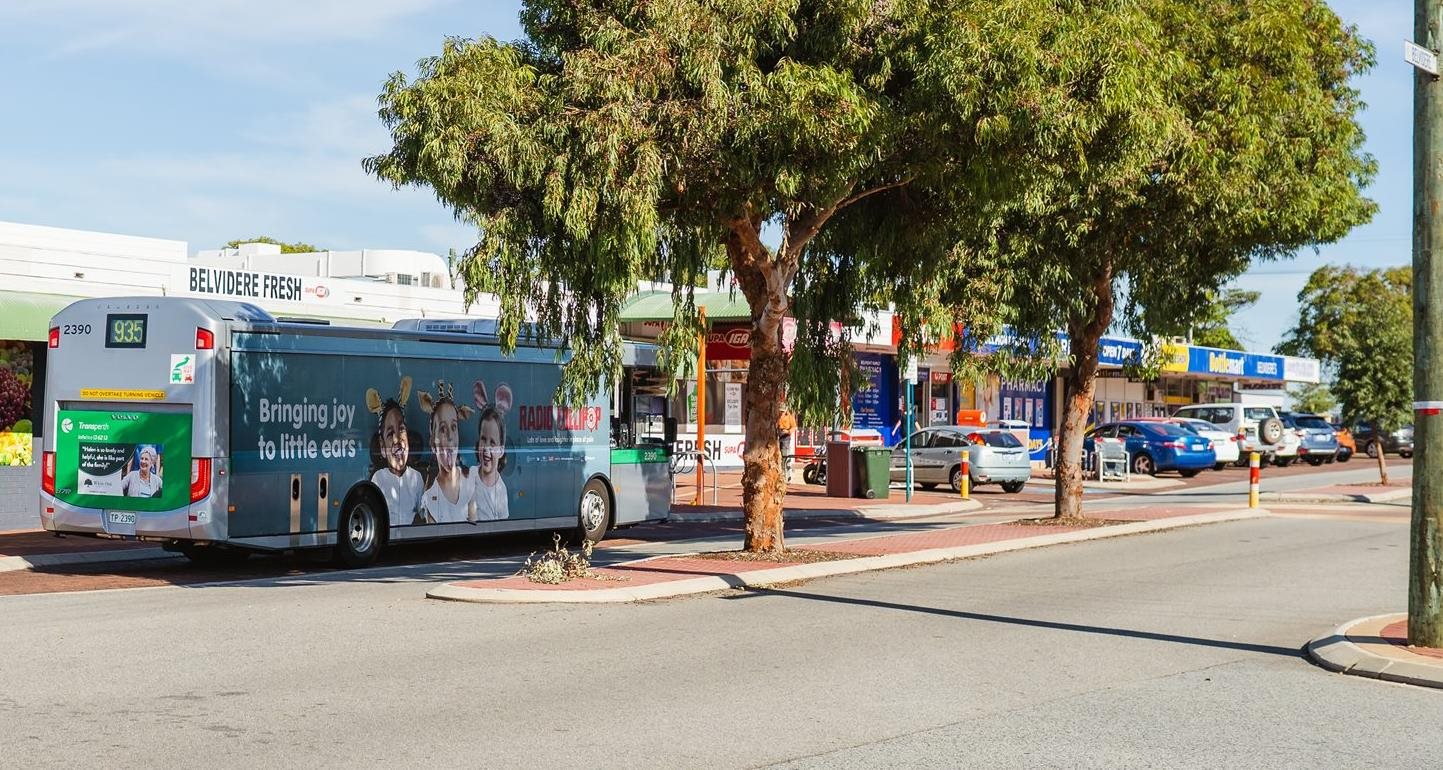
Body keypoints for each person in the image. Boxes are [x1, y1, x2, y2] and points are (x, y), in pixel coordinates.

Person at [366, 377, 424, 528]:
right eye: (390, 434)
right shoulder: (379, 479)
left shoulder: (416, 478)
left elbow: (423, 513)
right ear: (382, 448)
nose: (397, 439)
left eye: (401, 429)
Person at [418, 381, 474, 524]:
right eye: (443, 429)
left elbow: (476, 527)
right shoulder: (430, 498)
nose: (450, 436)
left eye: (454, 427)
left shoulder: (470, 484)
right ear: (432, 443)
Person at [468, 380, 512, 522]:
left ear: (501, 450)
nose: (486, 448)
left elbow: (502, 526)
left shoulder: (501, 490)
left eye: (492, 443)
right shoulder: (470, 476)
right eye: (483, 439)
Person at [778, 406, 797, 484]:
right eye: (780, 411)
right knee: (779, 458)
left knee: (785, 457)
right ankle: (780, 477)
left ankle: (787, 478)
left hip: (786, 437)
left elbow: (794, 427)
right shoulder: (777, 416)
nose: (781, 412)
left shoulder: (789, 416)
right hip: (777, 435)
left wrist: (788, 431)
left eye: (783, 411)